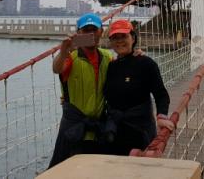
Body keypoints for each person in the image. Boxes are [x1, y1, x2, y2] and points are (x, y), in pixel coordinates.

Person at [48, 13, 113, 168]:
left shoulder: (108, 57)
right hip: (74, 129)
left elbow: (123, 72)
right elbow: (56, 68)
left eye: (94, 30)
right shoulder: (71, 57)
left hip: (98, 127)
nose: (91, 34)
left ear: (101, 32)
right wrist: (63, 50)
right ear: (78, 33)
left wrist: (135, 55)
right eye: (86, 30)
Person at [102, 19, 174, 156]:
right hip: (115, 132)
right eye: (115, 38)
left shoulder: (146, 63)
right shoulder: (111, 66)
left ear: (133, 38)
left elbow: (161, 94)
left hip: (140, 131)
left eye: (123, 36)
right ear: (110, 42)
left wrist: (162, 116)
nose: (119, 41)